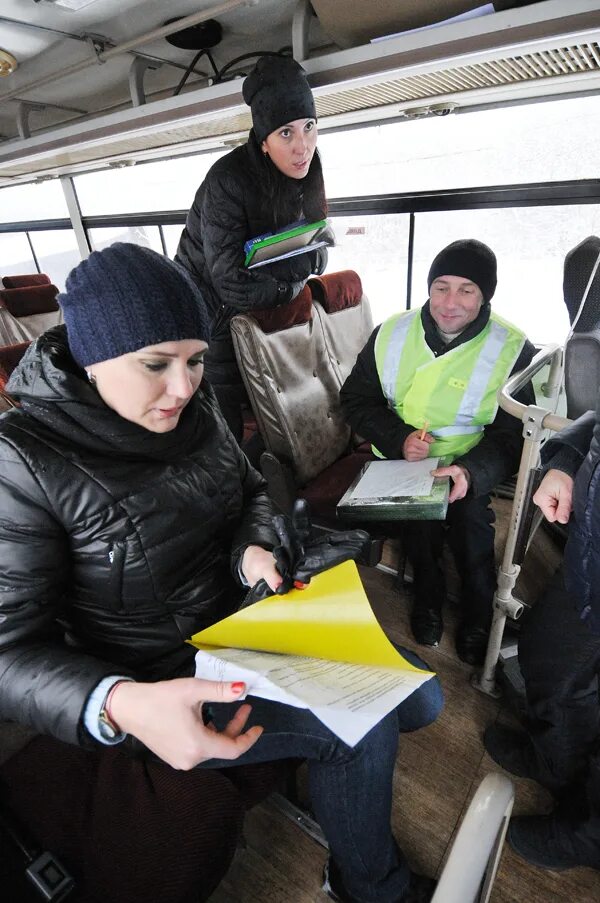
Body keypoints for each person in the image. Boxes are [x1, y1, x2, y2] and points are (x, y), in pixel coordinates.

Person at [0, 243, 443, 903]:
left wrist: (251, 554)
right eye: (155, 365)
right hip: (163, 676)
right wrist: (120, 702)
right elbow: (8, 653)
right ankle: (368, 883)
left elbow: (254, 494)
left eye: (195, 360)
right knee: (367, 723)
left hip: (248, 622)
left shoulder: (195, 407)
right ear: (92, 358)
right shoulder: (25, 462)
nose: (182, 386)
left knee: (422, 696)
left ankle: (341, 793)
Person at [341, 239, 536, 666]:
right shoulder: (391, 332)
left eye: (466, 289)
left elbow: (515, 435)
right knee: (419, 526)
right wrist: (399, 438)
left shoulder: (513, 349)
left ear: (485, 295)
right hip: (400, 458)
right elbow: (354, 400)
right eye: (441, 287)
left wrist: (469, 471)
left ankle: (477, 615)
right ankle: (426, 598)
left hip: (467, 462)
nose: (450, 303)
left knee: (471, 529)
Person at [484, 238, 600, 873]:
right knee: (550, 656)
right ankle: (556, 761)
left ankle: (589, 831)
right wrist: (566, 461)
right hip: (592, 546)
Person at [176, 53, 329, 443]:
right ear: (263, 142)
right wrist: (294, 284)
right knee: (226, 417)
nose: (303, 147)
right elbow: (232, 286)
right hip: (204, 309)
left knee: (276, 401)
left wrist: (291, 270)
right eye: (286, 133)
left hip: (254, 300)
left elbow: (321, 250)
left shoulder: (309, 169)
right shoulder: (228, 181)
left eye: (309, 127)